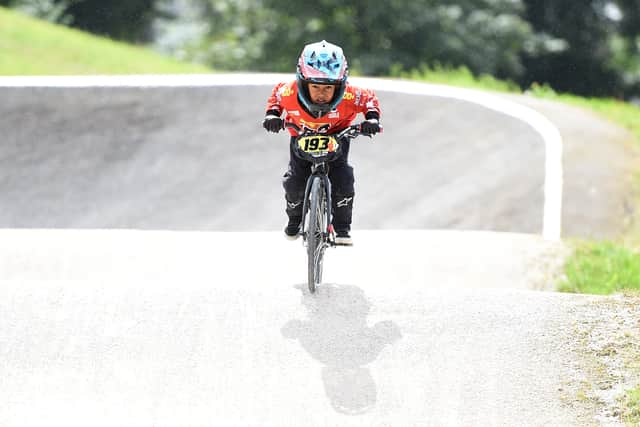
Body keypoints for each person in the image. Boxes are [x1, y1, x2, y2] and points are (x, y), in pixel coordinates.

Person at [262, 40, 382, 246]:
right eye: (315, 86)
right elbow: (276, 98)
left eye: (329, 88)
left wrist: (372, 119)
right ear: (301, 83)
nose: (321, 94)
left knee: (343, 178)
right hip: (301, 136)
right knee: (294, 182)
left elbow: (369, 99)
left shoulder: (352, 95)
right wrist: (272, 115)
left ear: (341, 86)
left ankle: (342, 227)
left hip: (338, 138)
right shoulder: (287, 92)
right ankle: (294, 218)